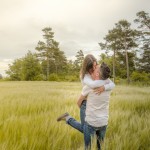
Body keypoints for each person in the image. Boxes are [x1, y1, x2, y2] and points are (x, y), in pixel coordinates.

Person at [57, 55, 115, 148]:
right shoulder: (85, 77)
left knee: (87, 129)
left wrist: (105, 86)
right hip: (86, 103)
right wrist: (84, 107)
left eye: (95, 66)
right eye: (92, 68)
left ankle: (68, 118)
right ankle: (69, 119)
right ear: (87, 67)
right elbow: (90, 87)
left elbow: (110, 83)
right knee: (87, 129)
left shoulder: (100, 73)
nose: (94, 68)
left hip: (96, 105)